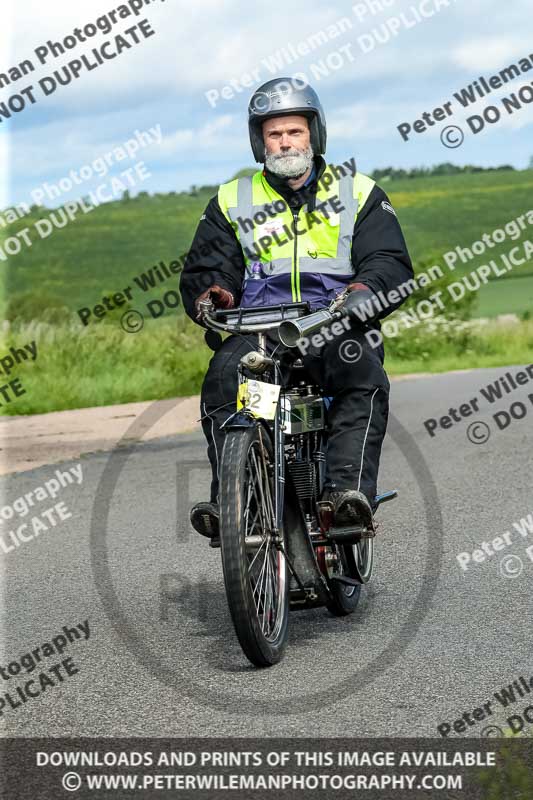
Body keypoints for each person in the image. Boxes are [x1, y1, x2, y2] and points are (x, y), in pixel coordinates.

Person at [179, 77, 414, 546]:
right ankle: (232, 502)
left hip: (333, 323)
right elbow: (209, 267)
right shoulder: (232, 200)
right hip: (261, 331)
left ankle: (346, 495)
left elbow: (388, 260)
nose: (285, 142)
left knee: (362, 377)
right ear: (259, 142)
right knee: (226, 382)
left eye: (294, 131)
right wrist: (215, 293)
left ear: (314, 134)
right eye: (274, 134)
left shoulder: (358, 192)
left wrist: (365, 289)